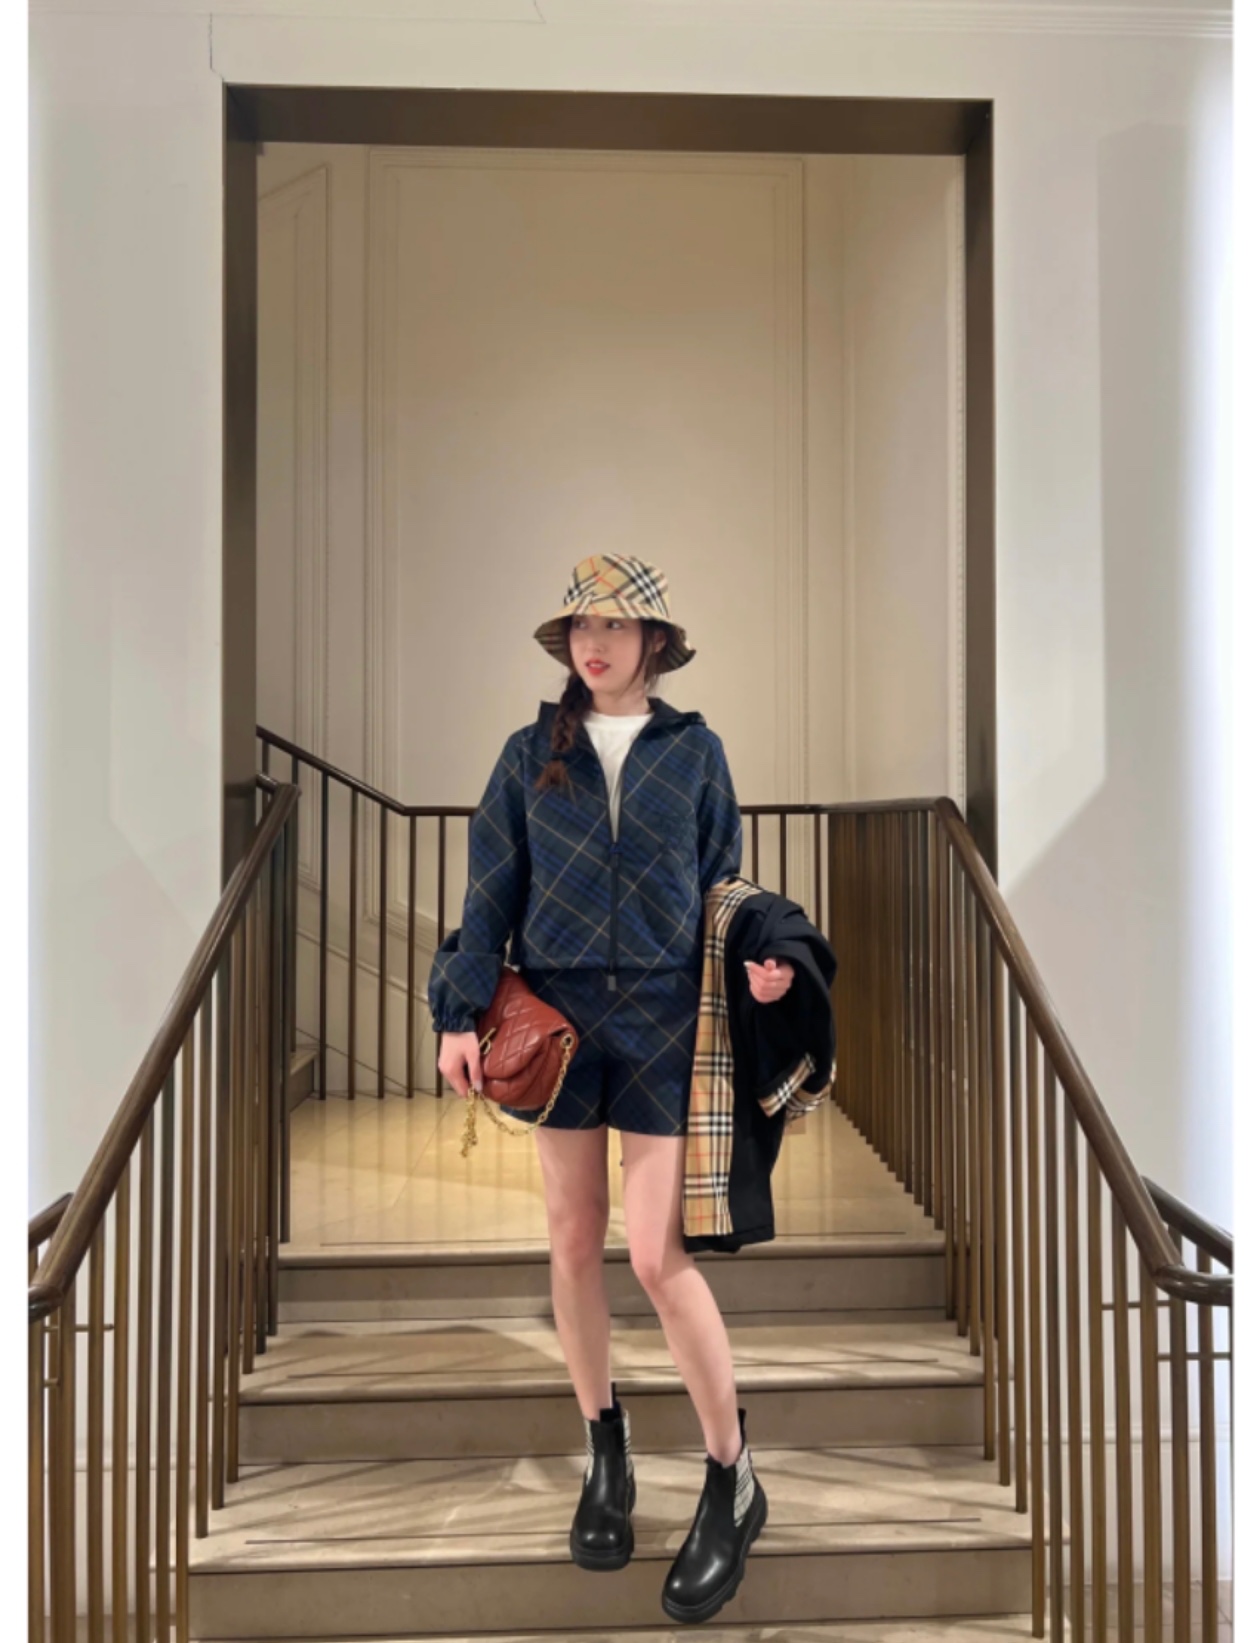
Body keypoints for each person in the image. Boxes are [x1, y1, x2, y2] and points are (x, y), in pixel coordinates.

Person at [428, 553, 796, 1626]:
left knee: (654, 1254)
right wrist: (458, 1007)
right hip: (558, 1014)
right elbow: (490, 888)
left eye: (616, 626)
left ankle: (733, 1473)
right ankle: (606, 1443)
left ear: (654, 643)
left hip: (665, 1015)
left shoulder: (695, 752)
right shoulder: (529, 752)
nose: (595, 643)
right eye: (581, 627)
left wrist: (762, 960)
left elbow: (723, 884)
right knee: (572, 1238)